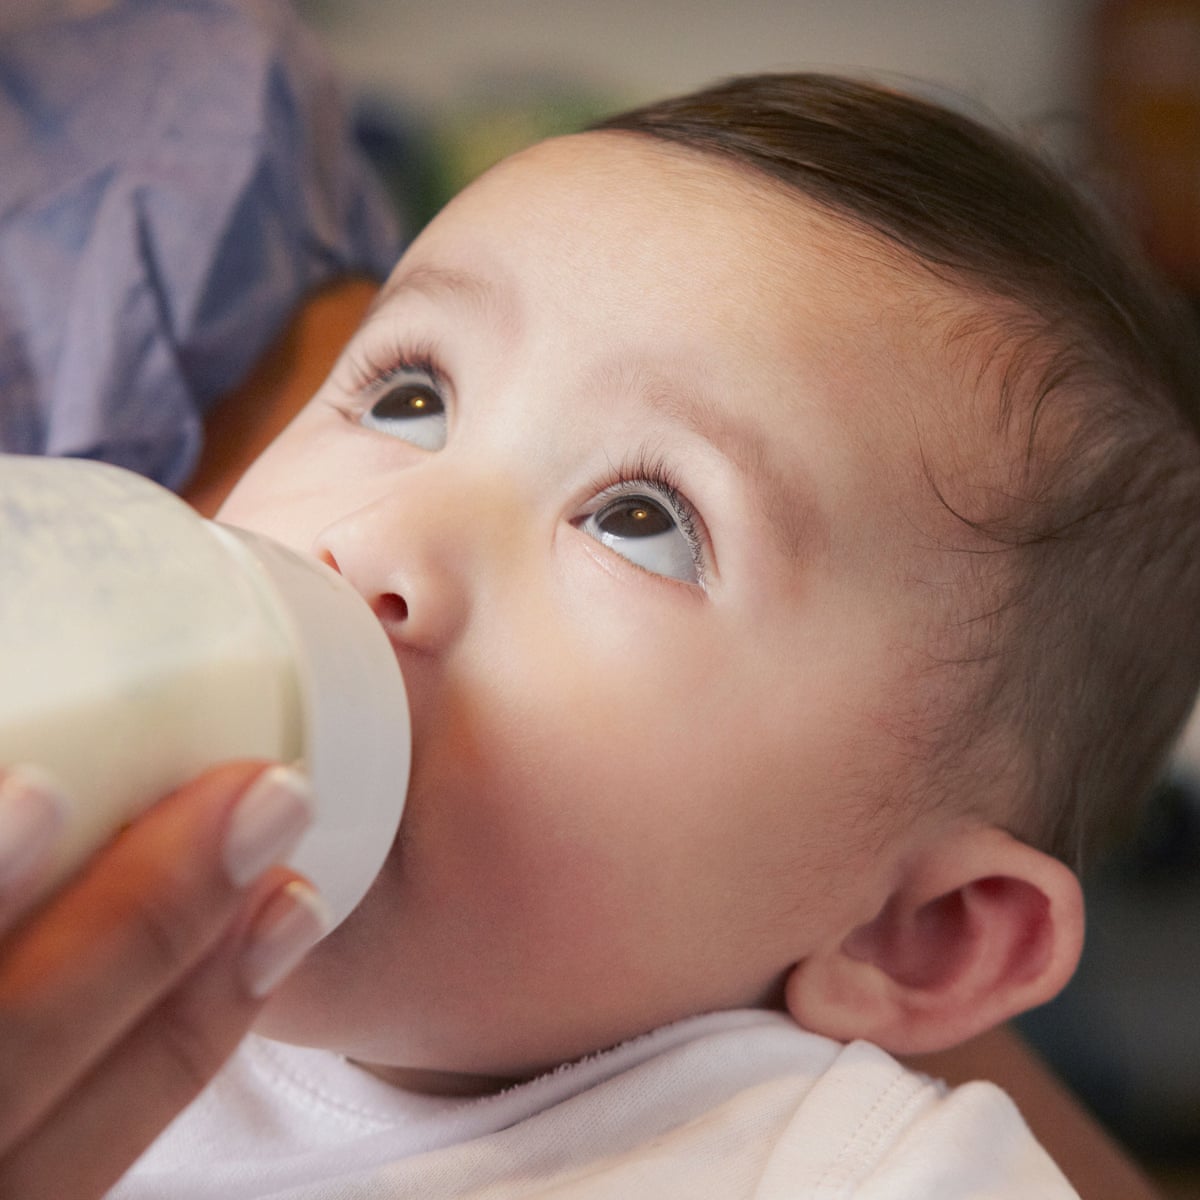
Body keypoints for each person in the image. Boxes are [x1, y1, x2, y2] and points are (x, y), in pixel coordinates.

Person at [3, 71, 1198, 1198]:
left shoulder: (854, 1169)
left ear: (919, 934)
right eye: (409, 395)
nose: (381, 540)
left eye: (640, 521)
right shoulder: (57, 928)